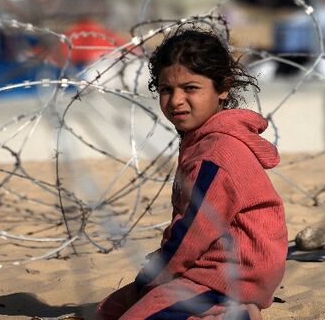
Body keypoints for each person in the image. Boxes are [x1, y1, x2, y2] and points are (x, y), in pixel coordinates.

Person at [97, 26, 288, 319]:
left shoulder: (215, 153)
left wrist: (152, 278)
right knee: (108, 310)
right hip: (212, 266)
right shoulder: (203, 140)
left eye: (190, 88)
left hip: (228, 274)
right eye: (166, 90)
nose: (175, 101)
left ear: (223, 88)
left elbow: (193, 233)